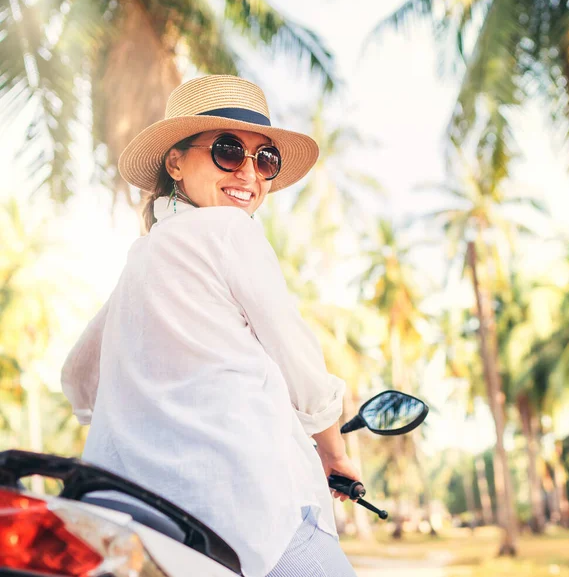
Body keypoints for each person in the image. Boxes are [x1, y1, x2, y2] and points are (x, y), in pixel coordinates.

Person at [61, 75, 360, 577]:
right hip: (248, 506)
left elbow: (77, 381)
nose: (249, 172)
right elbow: (299, 362)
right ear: (174, 162)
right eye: (228, 150)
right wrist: (335, 452)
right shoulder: (230, 231)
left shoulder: (143, 256)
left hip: (132, 516)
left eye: (265, 159)